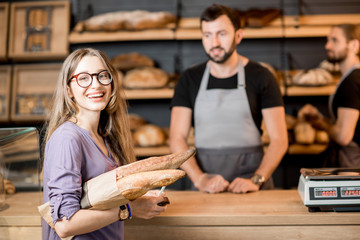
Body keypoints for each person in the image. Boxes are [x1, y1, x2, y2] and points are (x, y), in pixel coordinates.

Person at [42, 48, 167, 239]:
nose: (96, 85)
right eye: (84, 78)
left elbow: (97, 198)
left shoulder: (105, 137)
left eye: (102, 76)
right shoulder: (67, 138)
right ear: (69, 90)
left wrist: (138, 198)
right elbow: (65, 225)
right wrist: (128, 209)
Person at [169, 4, 288, 194]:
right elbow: (176, 139)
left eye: (221, 34)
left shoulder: (262, 76)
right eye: (207, 35)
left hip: (254, 185)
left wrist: (256, 180)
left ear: (238, 36)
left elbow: (279, 139)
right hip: (206, 185)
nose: (214, 42)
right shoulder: (189, 79)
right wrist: (200, 179)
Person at [298, 24, 360, 167]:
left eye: (334, 40)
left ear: (353, 45)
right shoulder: (351, 77)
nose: (327, 46)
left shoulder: (352, 81)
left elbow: (344, 137)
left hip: (353, 162)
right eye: (327, 40)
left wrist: (322, 122)